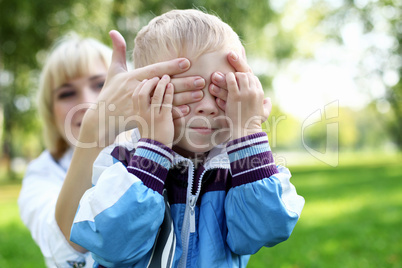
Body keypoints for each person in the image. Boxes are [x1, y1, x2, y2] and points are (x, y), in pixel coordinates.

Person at [70, 9, 305, 268]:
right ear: (143, 95)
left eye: (222, 92)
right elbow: (113, 245)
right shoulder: (122, 160)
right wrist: (153, 150)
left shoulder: (238, 168)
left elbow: (267, 229)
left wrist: (248, 130)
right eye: (187, 90)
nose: (208, 107)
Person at [18, 29, 232, 267]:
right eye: (66, 93)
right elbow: (67, 246)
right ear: (50, 110)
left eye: (100, 84)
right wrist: (95, 126)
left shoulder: (164, 152)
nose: (88, 101)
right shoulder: (43, 172)